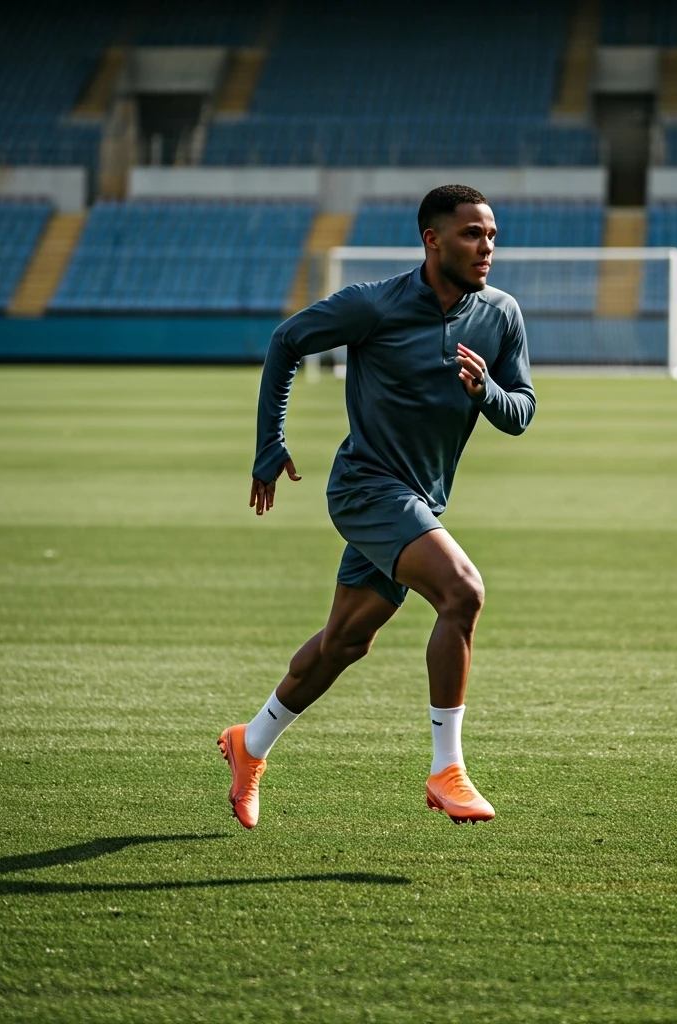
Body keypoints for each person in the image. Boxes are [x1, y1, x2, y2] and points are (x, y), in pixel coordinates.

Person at [218, 184, 536, 827]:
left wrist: (486, 391)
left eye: (492, 234)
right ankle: (448, 770)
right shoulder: (375, 305)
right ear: (433, 240)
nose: (487, 247)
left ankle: (247, 745)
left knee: (344, 642)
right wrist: (269, 444)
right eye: (473, 234)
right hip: (366, 489)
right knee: (463, 592)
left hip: (421, 500)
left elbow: (522, 412)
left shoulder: (501, 314)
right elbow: (286, 341)